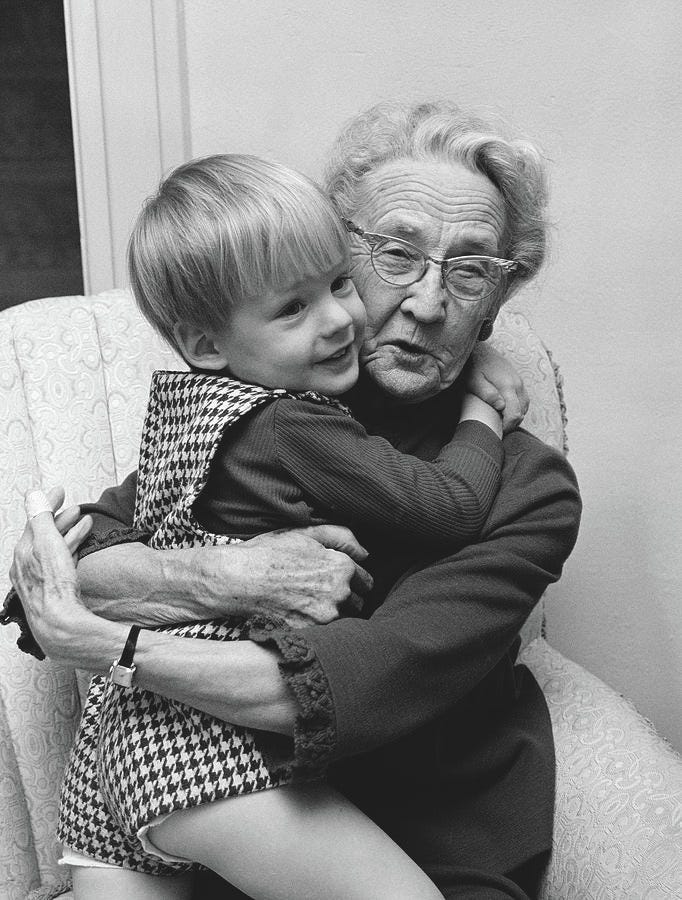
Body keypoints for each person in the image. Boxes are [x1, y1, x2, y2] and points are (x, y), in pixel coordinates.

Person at [8, 100, 581, 899]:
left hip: (422, 835)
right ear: (335, 248)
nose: (426, 302)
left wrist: (115, 628)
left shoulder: (529, 488)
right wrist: (227, 575)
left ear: (497, 300)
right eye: (395, 254)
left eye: (471, 268)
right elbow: (53, 579)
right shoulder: (262, 409)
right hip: (218, 815)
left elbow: (372, 679)